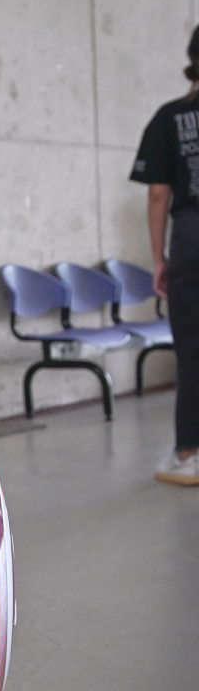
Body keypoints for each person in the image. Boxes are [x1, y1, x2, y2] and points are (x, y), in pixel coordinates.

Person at [130, 25, 199, 486]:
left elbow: (159, 194)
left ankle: (189, 453)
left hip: (191, 236)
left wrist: (160, 258)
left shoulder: (170, 117)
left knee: (191, 351)